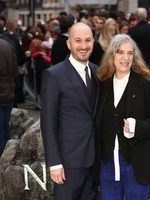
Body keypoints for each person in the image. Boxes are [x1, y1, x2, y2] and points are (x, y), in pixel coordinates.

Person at [96, 34, 150, 199]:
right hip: (107, 163)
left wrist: (137, 127)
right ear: (112, 55)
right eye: (120, 52)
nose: (125, 58)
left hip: (137, 163)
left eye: (130, 53)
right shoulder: (102, 84)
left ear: (135, 56)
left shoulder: (146, 84)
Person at [40, 22, 99, 200]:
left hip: (95, 161)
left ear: (93, 42)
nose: (83, 46)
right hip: (67, 163)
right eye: (78, 40)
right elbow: (48, 122)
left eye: (88, 40)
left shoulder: (98, 72)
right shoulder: (54, 75)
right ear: (69, 43)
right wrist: (54, 163)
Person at [0, 37, 18, 156]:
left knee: (2, 129)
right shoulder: (7, 44)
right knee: (5, 127)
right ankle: (6, 156)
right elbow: (15, 69)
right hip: (9, 90)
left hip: (2, 91)